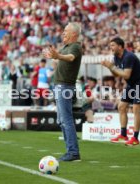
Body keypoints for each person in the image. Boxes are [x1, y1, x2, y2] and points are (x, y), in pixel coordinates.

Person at [101, 37, 140, 146]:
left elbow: (126, 74)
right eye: (110, 46)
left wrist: (112, 67)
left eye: (113, 45)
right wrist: (110, 68)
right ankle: (123, 135)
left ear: (120, 46)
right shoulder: (115, 57)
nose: (111, 48)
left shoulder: (129, 56)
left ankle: (135, 138)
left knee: (136, 109)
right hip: (132, 84)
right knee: (121, 106)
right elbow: (116, 74)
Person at [43, 22, 82, 161]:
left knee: (66, 119)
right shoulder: (66, 47)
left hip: (65, 86)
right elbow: (63, 60)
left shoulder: (76, 46)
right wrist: (54, 56)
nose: (63, 33)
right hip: (60, 86)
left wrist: (57, 56)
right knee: (62, 120)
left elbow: (70, 58)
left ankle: (73, 152)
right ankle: (70, 151)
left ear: (74, 34)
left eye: (66, 31)